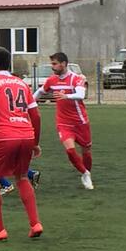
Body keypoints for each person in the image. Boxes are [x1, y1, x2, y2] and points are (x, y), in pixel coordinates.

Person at [0, 46, 43, 242]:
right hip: (26, 135)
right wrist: (35, 142)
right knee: (22, 177)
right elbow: (36, 115)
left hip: (4, 136)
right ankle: (35, 224)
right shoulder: (21, 83)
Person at [33, 52, 94, 190]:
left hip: (80, 121)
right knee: (70, 150)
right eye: (52, 64)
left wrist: (65, 96)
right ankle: (85, 174)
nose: (52, 67)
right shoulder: (52, 80)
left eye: (55, 64)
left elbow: (81, 94)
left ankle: (87, 172)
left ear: (64, 64)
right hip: (63, 123)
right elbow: (40, 92)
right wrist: (29, 103)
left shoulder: (76, 79)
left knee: (86, 150)